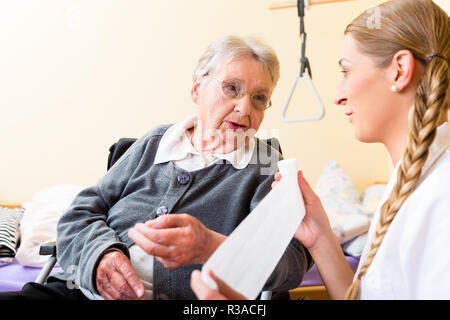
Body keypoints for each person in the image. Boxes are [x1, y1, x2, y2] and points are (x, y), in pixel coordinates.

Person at [0, 35, 312, 300]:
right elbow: (80, 212)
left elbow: (291, 260)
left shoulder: (265, 165)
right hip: (86, 292)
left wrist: (212, 247)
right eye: (232, 88)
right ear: (196, 90)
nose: (245, 108)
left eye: (259, 98)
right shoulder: (157, 141)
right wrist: (100, 256)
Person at [191, 0, 450, 300]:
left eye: (346, 71)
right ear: (196, 89)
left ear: (399, 70)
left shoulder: (440, 197)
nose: (338, 96)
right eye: (231, 88)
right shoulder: (408, 185)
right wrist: (321, 238)